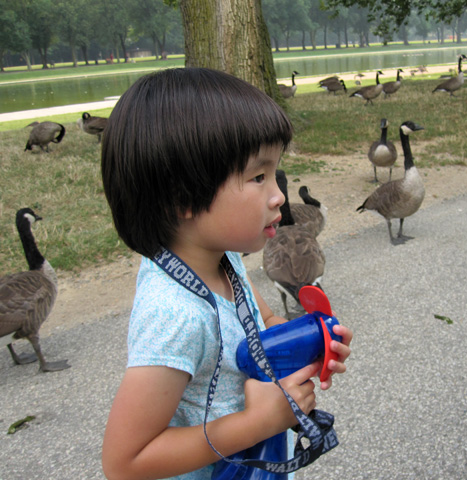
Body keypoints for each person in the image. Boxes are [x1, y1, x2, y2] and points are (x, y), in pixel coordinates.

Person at [100, 67, 353, 480]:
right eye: (258, 176)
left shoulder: (220, 257)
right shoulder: (175, 315)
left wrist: (310, 341)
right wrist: (259, 423)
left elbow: (263, 323)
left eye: (275, 174)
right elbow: (125, 462)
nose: (279, 196)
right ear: (184, 198)